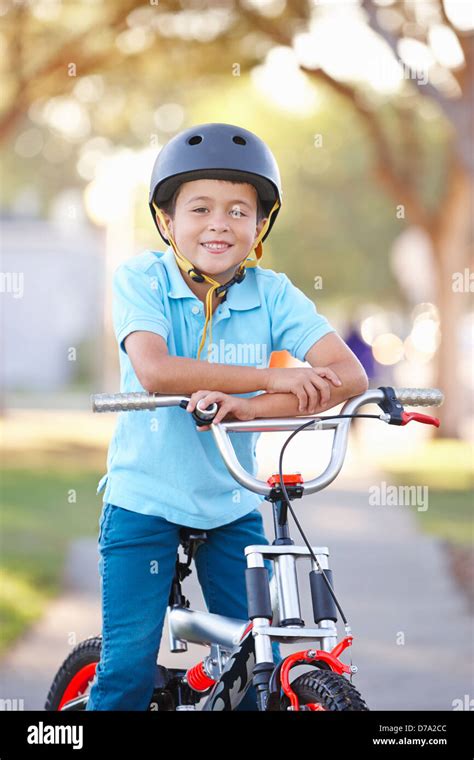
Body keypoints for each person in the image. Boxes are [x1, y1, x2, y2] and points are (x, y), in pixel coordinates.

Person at [86, 122, 368, 711]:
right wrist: (272, 377)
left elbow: (349, 377)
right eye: (200, 208)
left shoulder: (274, 293)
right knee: (128, 674)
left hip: (232, 501)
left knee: (255, 661)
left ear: (260, 226)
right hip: (145, 500)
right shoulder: (144, 278)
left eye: (240, 210)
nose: (220, 223)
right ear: (166, 220)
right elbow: (157, 371)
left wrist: (248, 406)